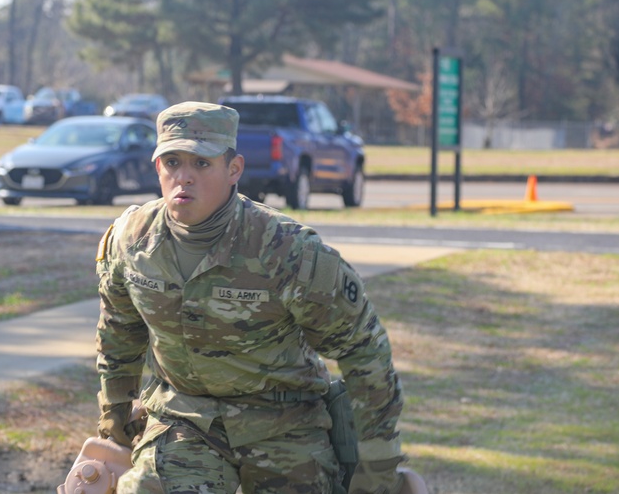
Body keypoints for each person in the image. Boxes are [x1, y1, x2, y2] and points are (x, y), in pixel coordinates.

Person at [94, 101, 407, 494]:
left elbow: (364, 348)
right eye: (172, 162)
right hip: (184, 420)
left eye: (202, 164)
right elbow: (119, 337)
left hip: (284, 423)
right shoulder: (131, 241)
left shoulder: (288, 251)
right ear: (158, 167)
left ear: (234, 169)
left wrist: (379, 459)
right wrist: (115, 431)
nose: (183, 178)